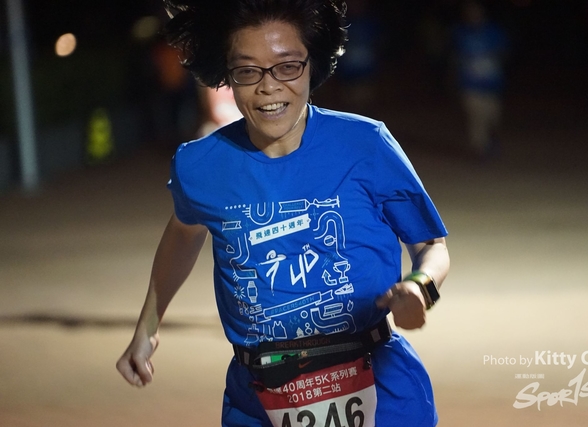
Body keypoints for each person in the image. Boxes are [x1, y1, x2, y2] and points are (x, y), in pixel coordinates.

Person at [116, 1, 450, 426]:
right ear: (226, 75)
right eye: (247, 71)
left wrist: (420, 289)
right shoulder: (200, 166)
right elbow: (183, 233)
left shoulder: (366, 145)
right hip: (257, 398)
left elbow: (431, 245)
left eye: (287, 67)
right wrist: (148, 326)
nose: (268, 87)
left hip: (382, 391)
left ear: (313, 64)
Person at [452, 0, 508, 159]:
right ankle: (480, 149)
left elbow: (505, 53)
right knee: (476, 116)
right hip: (470, 84)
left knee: (492, 117)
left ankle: (492, 140)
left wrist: (490, 59)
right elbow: (455, 57)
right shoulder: (461, 33)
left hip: (491, 84)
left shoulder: (493, 32)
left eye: (476, 12)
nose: (473, 15)